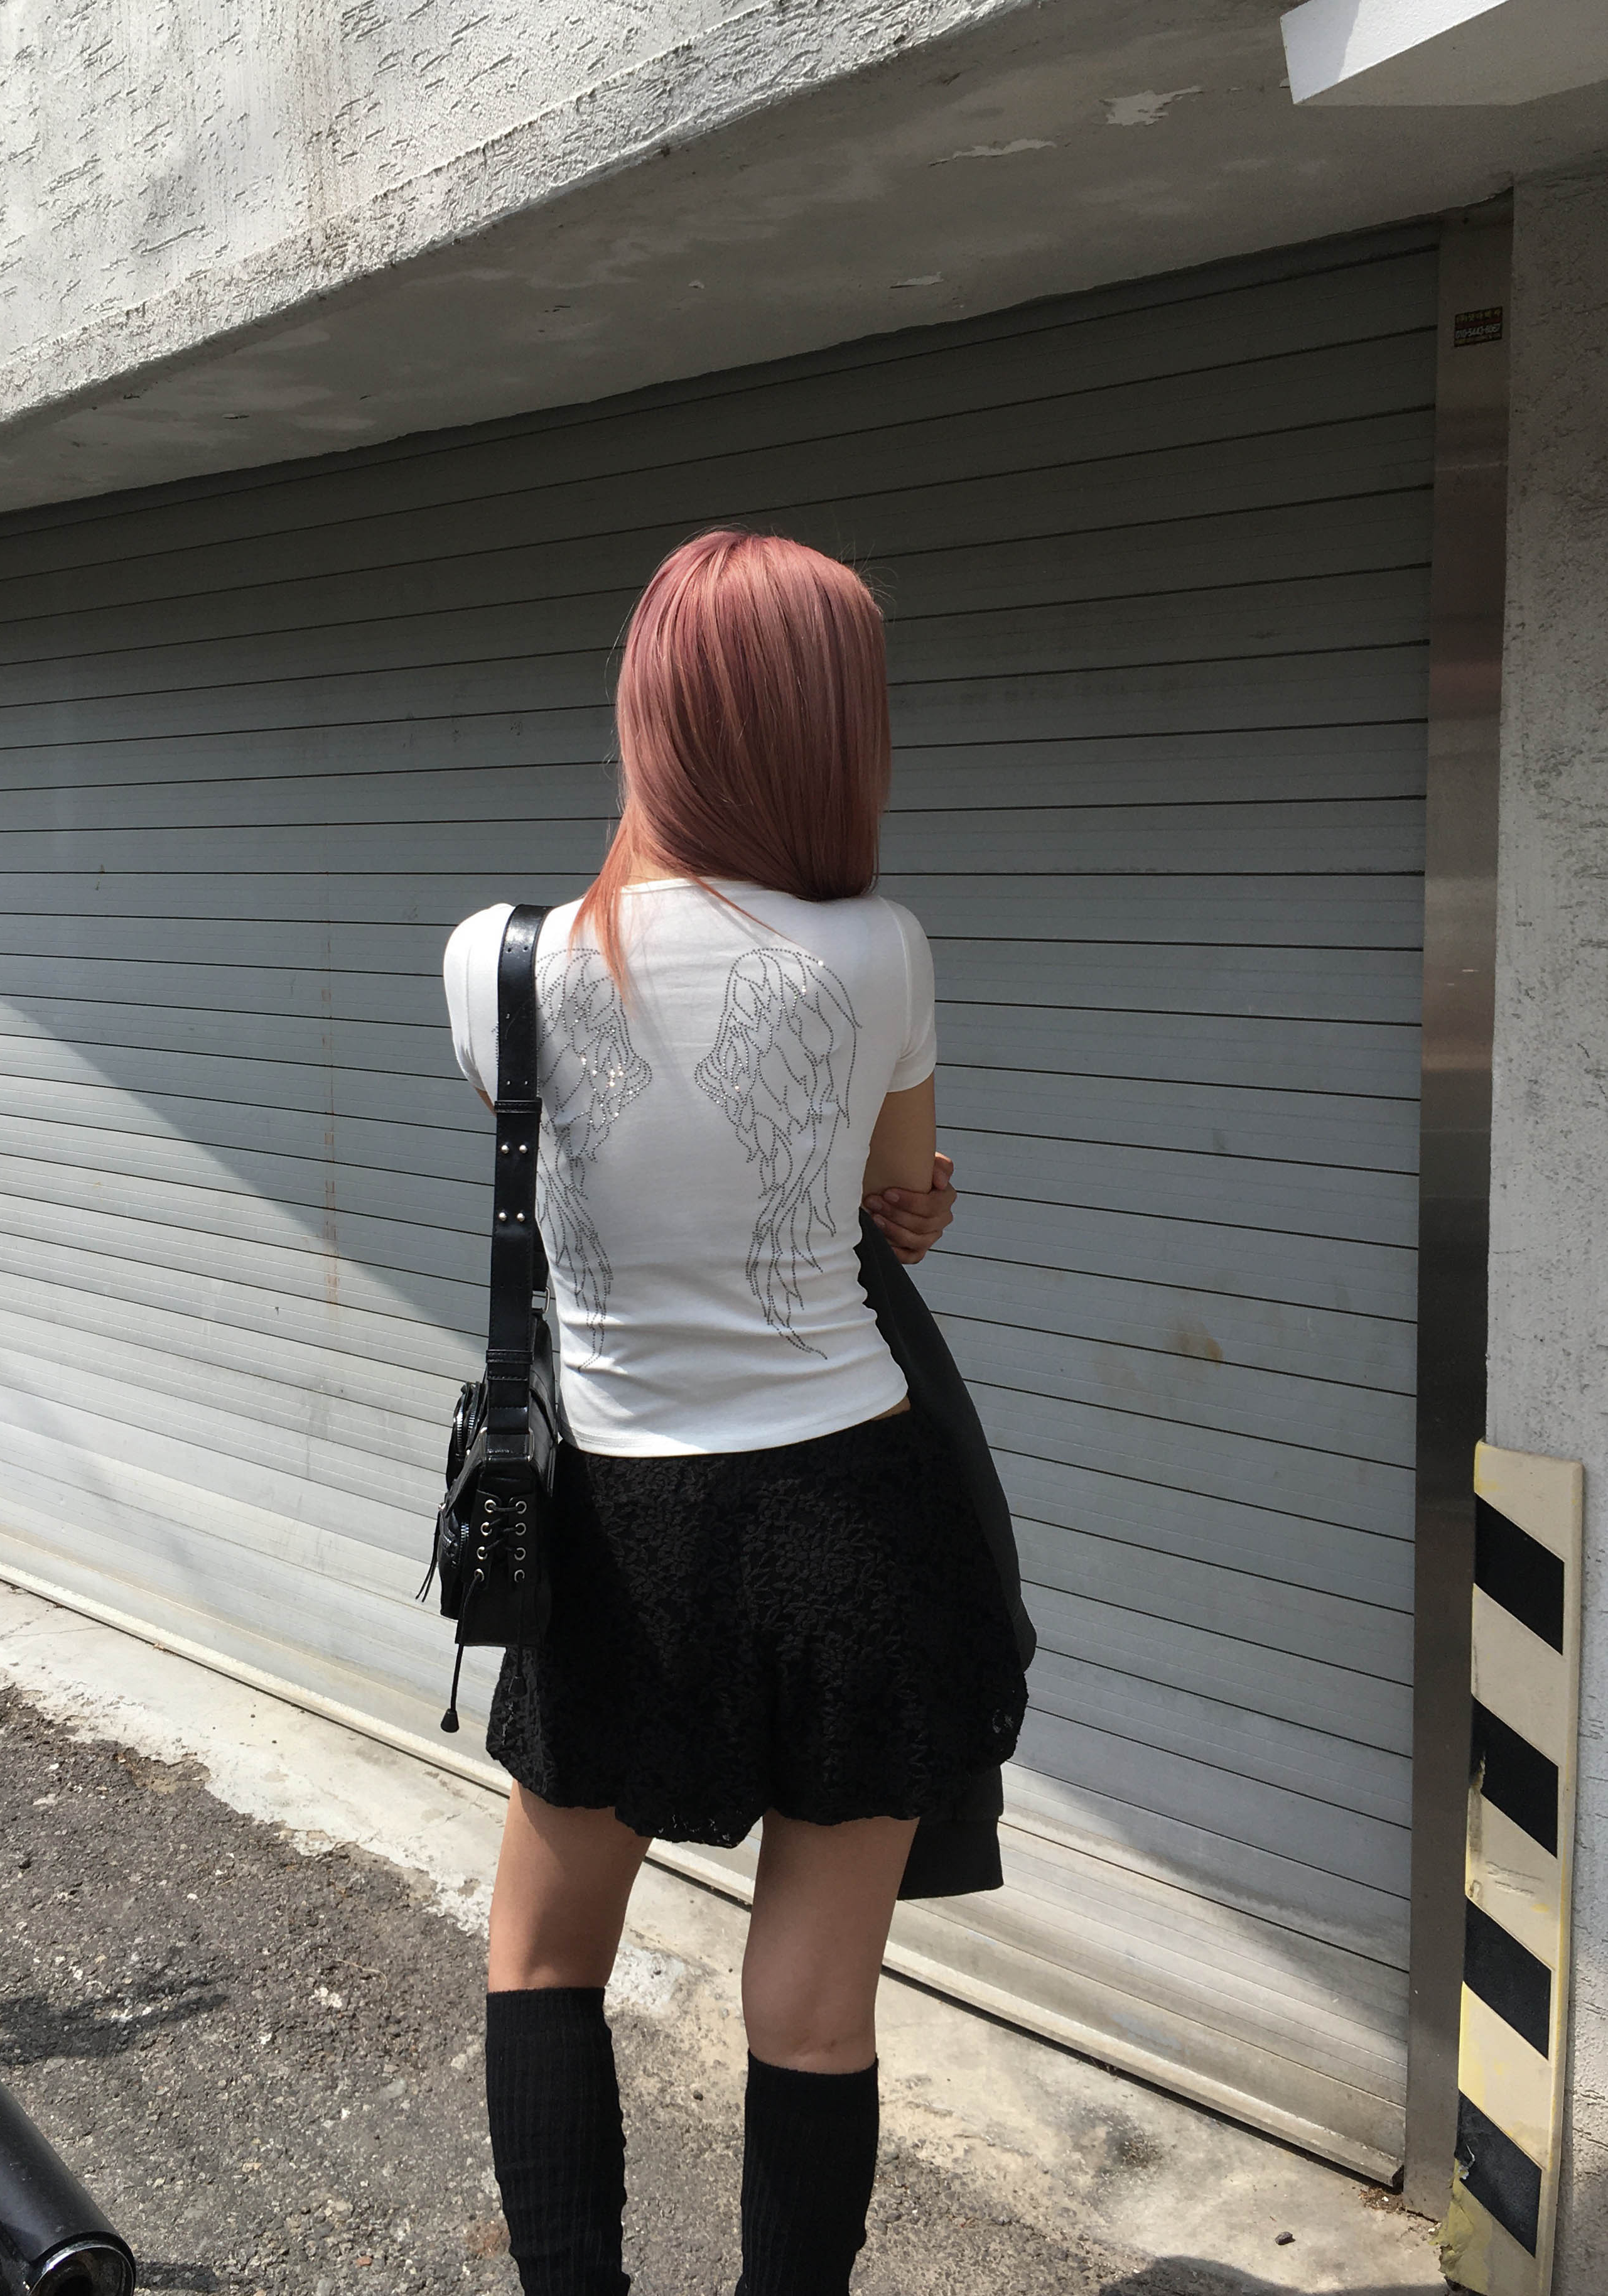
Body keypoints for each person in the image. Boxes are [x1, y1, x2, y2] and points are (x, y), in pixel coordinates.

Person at [441, 529, 1027, 2294]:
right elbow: (895, 1196)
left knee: (543, 1955)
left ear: (652, 714)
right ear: (837, 729)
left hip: (625, 1535)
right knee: (815, 2009)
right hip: (861, 1519)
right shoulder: (882, 950)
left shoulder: (500, 963)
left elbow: (622, 1181)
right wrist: (894, 1202)